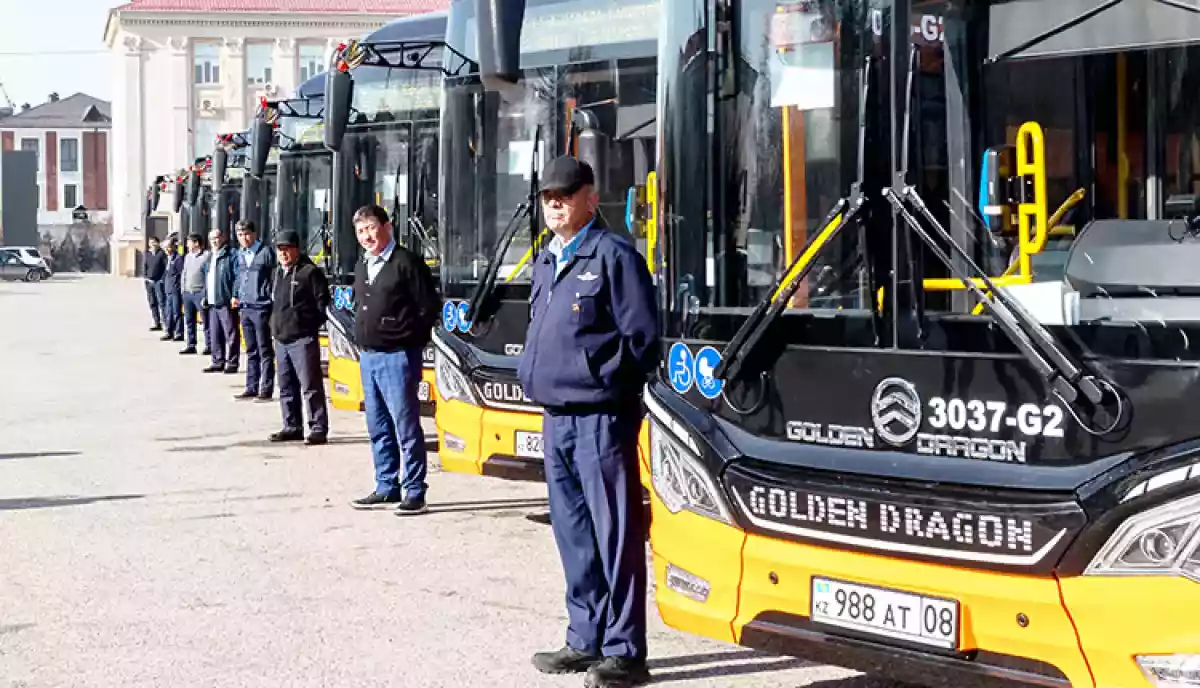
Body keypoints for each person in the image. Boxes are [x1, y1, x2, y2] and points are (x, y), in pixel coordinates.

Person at [516, 156, 659, 688]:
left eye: (565, 194)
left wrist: (607, 382)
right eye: (549, 196)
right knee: (574, 534)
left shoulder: (613, 255)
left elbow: (642, 337)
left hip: (601, 417)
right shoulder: (549, 258)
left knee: (614, 534)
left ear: (590, 198)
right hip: (557, 417)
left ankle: (625, 651)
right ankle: (586, 637)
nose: (555, 203)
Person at [348, 204, 440, 514]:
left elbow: (428, 306)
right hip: (368, 357)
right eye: (361, 231)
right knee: (378, 426)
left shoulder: (406, 263)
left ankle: (414, 490)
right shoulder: (363, 265)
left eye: (371, 228)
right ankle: (387, 485)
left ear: (387, 227)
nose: (367, 236)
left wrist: (408, 338)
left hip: (398, 357)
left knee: (405, 426)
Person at [268, 230, 330, 445]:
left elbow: (323, 305)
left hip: (302, 338)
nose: (283, 253)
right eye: (280, 249)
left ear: (297, 249)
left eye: (287, 249)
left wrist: (307, 325)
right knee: (286, 386)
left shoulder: (310, 272)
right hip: (281, 338)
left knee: (310, 385)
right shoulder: (277, 273)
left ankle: (318, 428)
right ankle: (292, 426)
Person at [231, 220, 276, 401]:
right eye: (240, 235)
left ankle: (266, 388)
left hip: (261, 307)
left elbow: (274, 277)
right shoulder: (241, 254)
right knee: (251, 350)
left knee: (264, 349)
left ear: (255, 234)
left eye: (247, 234)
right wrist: (235, 295)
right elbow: (238, 277)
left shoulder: (265, 253)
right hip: (245, 307)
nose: (244, 238)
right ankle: (251, 386)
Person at [201, 228, 240, 375]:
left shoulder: (231, 255)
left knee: (231, 333)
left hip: (225, 301)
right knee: (215, 334)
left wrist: (235, 295)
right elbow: (208, 278)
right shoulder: (211, 257)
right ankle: (217, 361)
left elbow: (237, 277)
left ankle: (232, 362)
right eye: (212, 239)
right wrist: (205, 296)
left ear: (223, 237)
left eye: (217, 238)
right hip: (212, 302)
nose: (215, 241)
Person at [179, 233, 211, 356]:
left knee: (205, 321)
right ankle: (191, 345)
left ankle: (209, 345)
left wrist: (205, 293)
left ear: (196, 243)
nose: (187, 245)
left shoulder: (206, 256)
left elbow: (208, 276)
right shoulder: (188, 257)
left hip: (200, 293)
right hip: (188, 293)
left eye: (189, 242)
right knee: (189, 320)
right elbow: (184, 273)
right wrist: (183, 289)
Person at [162, 234, 185, 343]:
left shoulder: (178, 259)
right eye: (165, 248)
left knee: (176, 312)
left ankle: (178, 332)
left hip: (176, 289)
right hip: (168, 289)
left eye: (169, 247)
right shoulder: (167, 259)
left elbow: (181, 274)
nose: (167, 250)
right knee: (168, 312)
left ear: (173, 247)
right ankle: (169, 331)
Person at [143, 236, 167, 331]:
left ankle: (166, 323)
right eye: (150, 242)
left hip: (158, 282)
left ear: (158, 243)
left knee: (161, 303)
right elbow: (144, 266)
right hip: (149, 282)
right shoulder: (147, 254)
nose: (152, 244)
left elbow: (166, 268)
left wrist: (162, 279)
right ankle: (157, 322)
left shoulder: (162, 254)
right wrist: (145, 277)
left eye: (154, 242)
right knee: (152, 303)